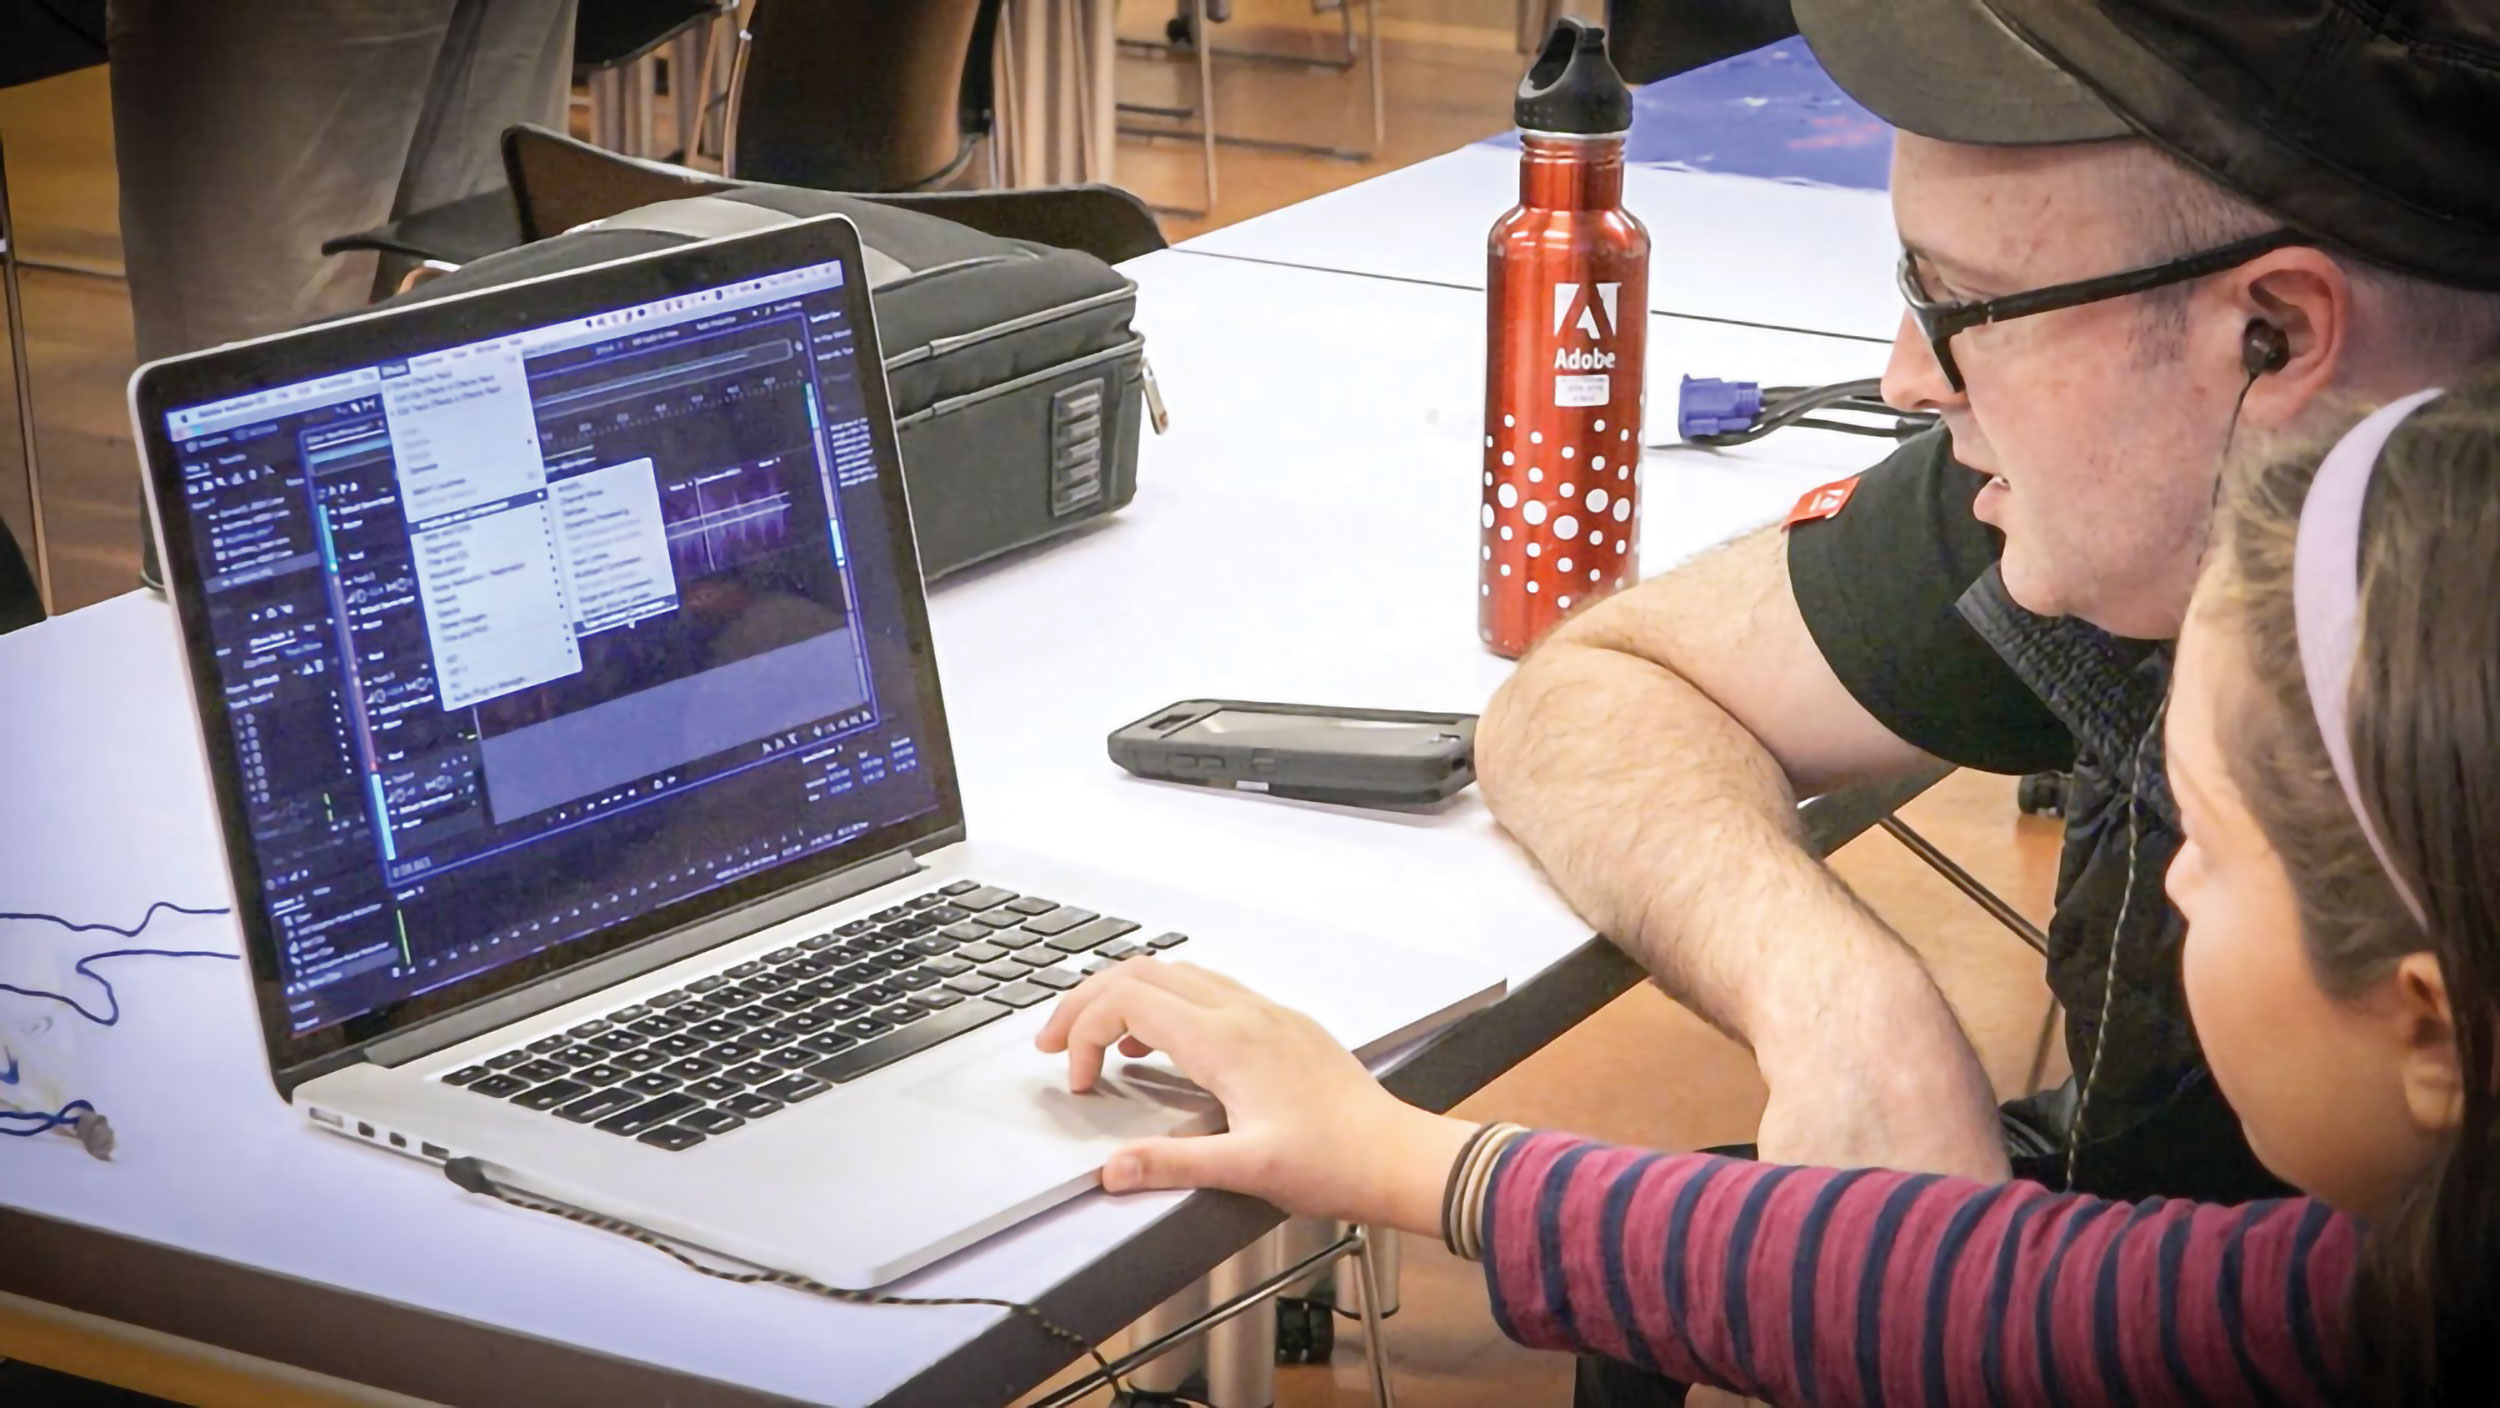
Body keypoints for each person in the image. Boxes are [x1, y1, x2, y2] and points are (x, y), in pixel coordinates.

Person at [1035, 371, 2500, 1400]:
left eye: (2206, 847)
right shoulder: (2376, 1274)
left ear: (2429, 1028)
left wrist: (1404, 1157)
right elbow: (1985, 1292)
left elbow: (1998, 1310)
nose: (2163, 884)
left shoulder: (2356, 1316)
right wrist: (1397, 1158)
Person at [1470, 0, 2500, 1253]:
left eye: (1963, 303)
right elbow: (1595, 689)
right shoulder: (2143, 467)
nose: (1909, 377)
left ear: (2270, 334)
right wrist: (1842, 1006)